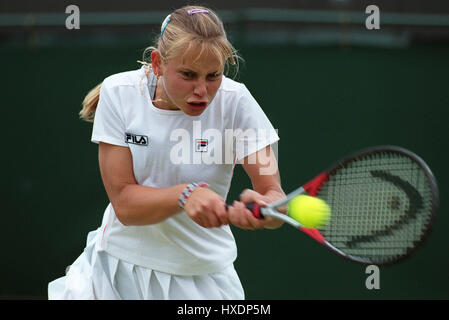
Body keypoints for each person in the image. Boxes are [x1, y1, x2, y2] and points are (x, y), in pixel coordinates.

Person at [48, 5, 285, 300]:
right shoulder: (118, 93)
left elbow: (274, 195)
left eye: (213, 76)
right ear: (158, 64)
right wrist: (185, 195)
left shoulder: (237, 103)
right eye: (188, 74)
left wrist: (266, 210)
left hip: (203, 280)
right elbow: (124, 203)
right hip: (114, 272)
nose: (202, 89)